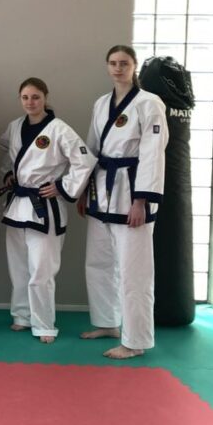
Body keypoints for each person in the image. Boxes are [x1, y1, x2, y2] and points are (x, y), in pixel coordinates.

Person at [78, 45, 169, 359]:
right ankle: (107, 322)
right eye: (113, 63)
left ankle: (135, 341)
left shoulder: (149, 103)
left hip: (132, 194)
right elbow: (91, 148)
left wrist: (141, 200)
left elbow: (153, 154)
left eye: (124, 63)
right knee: (99, 262)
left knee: (134, 271)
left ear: (134, 67)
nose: (118, 68)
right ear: (107, 67)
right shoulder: (101, 103)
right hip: (102, 192)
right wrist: (83, 189)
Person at [0, 78, 94, 343]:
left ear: (45, 98)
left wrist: (63, 186)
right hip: (18, 205)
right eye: (25, 97)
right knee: (18, 267)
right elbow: (10, 156)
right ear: (20, 99)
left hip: (45, 206)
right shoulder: (15, 127)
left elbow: (85, 161)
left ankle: (44, 324)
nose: (30, 102)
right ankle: (21, 316)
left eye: (36, 97)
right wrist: (8, 173)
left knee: (42, 270)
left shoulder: (58, 128)